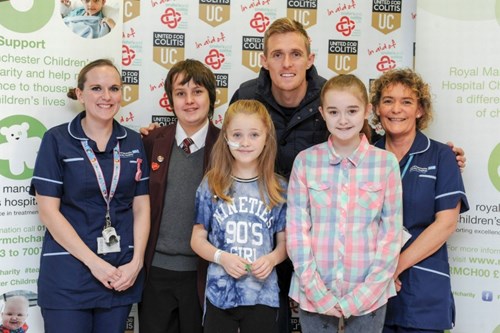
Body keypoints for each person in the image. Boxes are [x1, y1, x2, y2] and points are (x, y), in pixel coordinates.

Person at [29, 58, 150, 333]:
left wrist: (137, 262)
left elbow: (141, 207)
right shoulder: (57, 140)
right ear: (80, 94)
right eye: (96, 88)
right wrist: (96, 264)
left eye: (114, 88)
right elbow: (48, 212)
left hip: (120, 274)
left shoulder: (133, 142)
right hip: (68, 275)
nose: (107, 97)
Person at [286, 74, 403, 333]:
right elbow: (296, 231)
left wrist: (362, 296)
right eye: (333, 111)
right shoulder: (305, 162)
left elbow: (391, 235)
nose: (343, 120)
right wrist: (316, 291)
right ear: (322, 113)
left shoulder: (386, 164)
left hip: (369, 296)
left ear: (367, 111)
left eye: (351, 111)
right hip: (314, 293)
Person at [368, 68, 469, 333]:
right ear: (377, 108)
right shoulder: (366, 157)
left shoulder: (441, 156)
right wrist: (381, 273)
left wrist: (395, 267)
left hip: (423, 292)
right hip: (370, 291)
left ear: (420, 110)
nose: (396, 109)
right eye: (388, 100)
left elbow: (445, 223)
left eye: (407, 101)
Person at [190, 99, 288, 333]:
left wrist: (272, 259)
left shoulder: (278, 187)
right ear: (225, 137)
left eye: (254, 135)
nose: (245, 143)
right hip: (219, 295)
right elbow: (197, 239)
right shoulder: (212, 184)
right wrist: (221, 257)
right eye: (237, 135)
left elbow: (284, 243)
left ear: (267, 138)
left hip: (262, 296)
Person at [139, 59, 220, 333]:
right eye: (180, 93)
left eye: (197, 92)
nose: (189, 101)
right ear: (170, 100)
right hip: (155, 272)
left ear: (211, 97)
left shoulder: (227, 147)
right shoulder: (151, 142)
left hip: (204, 273)